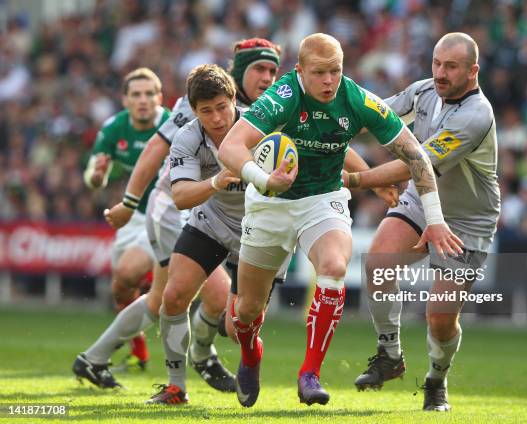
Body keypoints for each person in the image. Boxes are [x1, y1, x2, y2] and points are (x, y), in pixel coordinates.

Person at [218, 33, 462, 408]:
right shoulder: (283, 96)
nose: (329, 81)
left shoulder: (357, 100)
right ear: (299, 71)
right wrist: (265, 179)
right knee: (246, 314)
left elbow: (417, 156)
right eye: (319, 73)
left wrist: (435, 218)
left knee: (334, 266)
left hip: (323, 198)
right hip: (270, 203)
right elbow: (230, 147)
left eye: (336, 71)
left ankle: (309, 373)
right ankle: (251, 355)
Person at [73, 39, 284, 391]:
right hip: (172, 207)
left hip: (210, 212)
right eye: (259, 70)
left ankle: (93, 358)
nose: (266, 78)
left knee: (164, 300)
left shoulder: (263, 115)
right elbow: (158, 148)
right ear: (239, 73)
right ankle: (201, 359)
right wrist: (129, 201)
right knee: (198, 295)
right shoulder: (193, 110)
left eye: (272, 71)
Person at [349, 32, 500, 412]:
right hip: (422, 198)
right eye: (436, 63)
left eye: (451, 66)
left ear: (473, 70)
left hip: (468, 220)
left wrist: (357, 179)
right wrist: (331, 123)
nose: (440, 73)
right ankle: (389, 354)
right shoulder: (424, 91)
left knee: (439, 319)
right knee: (378, 263)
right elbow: (374, 115)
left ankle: (436, 379)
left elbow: (417, 163)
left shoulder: (476, 115)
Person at [146, 64, 292, 404]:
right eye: (205, 111)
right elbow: (180, 195)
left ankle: (249, 361)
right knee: (174, 295)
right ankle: (175, 387)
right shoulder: (187, 138)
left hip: (262, 230)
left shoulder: (262, 125)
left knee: (236, 324)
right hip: (211, 221)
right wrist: (214, 182)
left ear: (233, 100)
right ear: (194, 111)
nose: (216, 118)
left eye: (222, 107)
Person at [79, 67, 170, 375]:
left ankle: (157, 286)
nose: (143, 100)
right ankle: (139, 355)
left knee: (129, 270)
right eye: (136, 95)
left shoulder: (173, 124)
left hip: (167, 213)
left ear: (159, 97)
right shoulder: (114, 128)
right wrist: (97, 175)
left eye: (149, 94)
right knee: (120, 287)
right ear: (125, 99)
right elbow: (93, 177)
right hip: (132, 216)